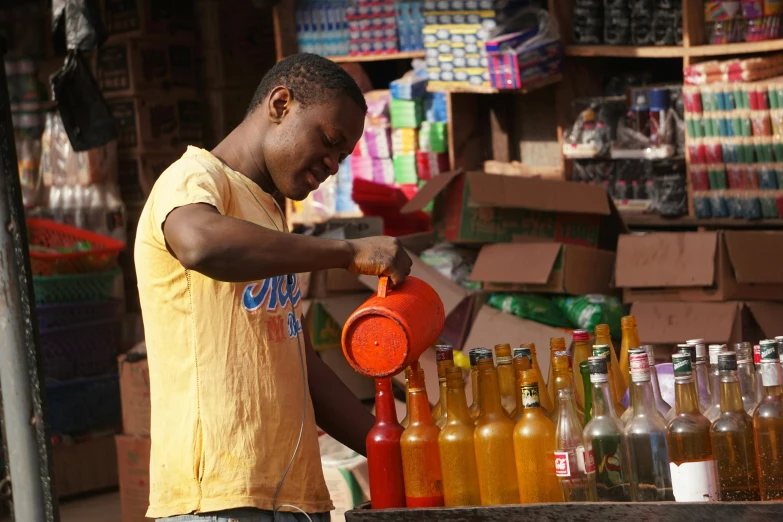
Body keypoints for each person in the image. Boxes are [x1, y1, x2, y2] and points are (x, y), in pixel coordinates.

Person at [134, 53, 412, 522]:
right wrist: (345, 253)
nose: (332, 165)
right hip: (220, 500)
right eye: (328, 141)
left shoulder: (268, 214)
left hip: (295, 498)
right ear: (281, 104)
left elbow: (301, 365)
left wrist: (398, 451)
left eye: (342, 156)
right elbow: (200, 243)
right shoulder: (194, 179)